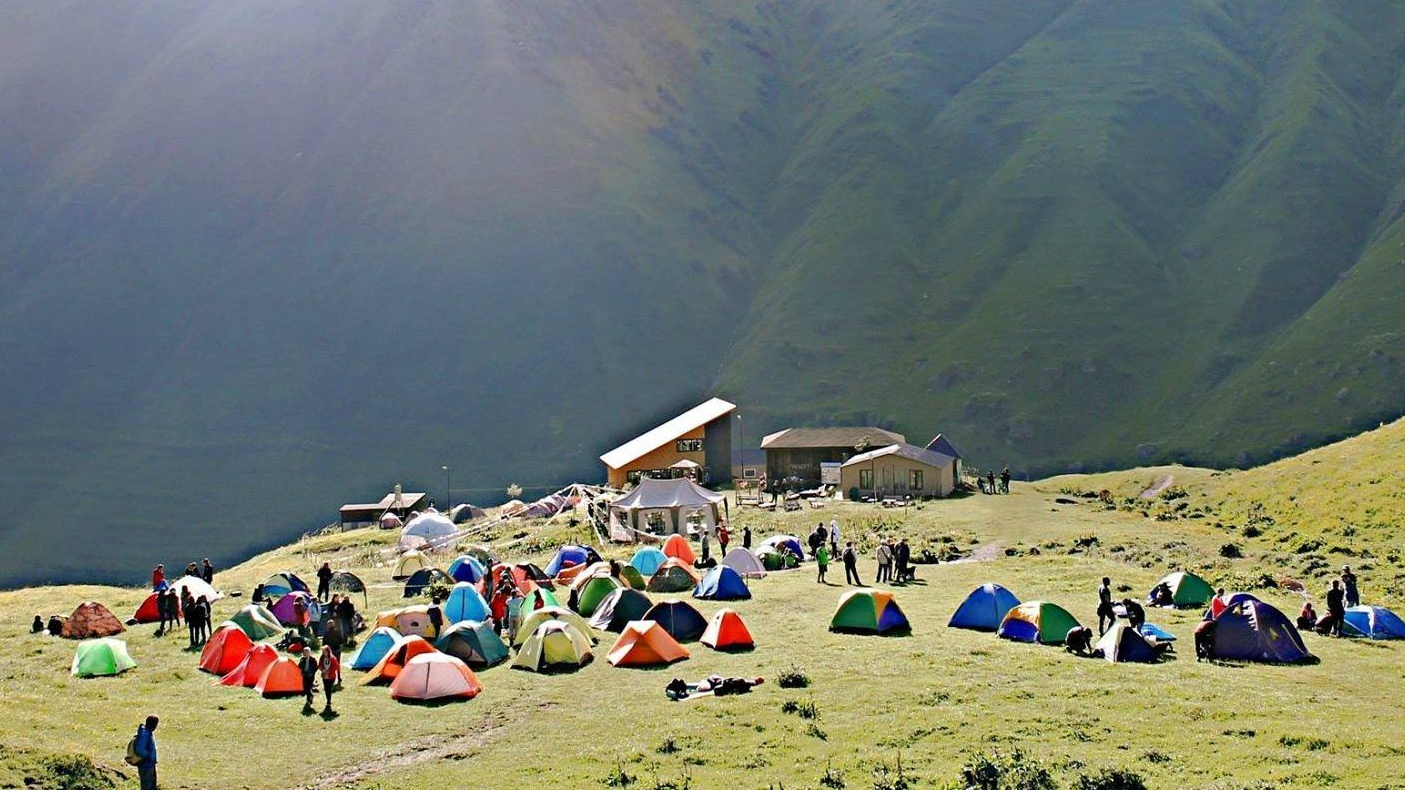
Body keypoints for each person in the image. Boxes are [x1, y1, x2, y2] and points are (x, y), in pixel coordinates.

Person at [131, 715, 159, 790]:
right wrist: (149, 756)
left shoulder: (147, 733)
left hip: (149, 764)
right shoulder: (145, 734)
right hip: (146, 765)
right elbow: (140, 749)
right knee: (147, 786)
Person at [318, 645, 340, 713]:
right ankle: (328, 701)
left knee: (328, 689)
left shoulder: (333, 658)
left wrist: (329, 671)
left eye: (325, 651)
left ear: (328, 651)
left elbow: (336, 667)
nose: (324, 653)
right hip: (324, 676)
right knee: (326, 689)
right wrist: (322, 669)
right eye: (323, 651)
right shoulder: (322, 658)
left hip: (331, 676)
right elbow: (319, 665)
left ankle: (328, 702)